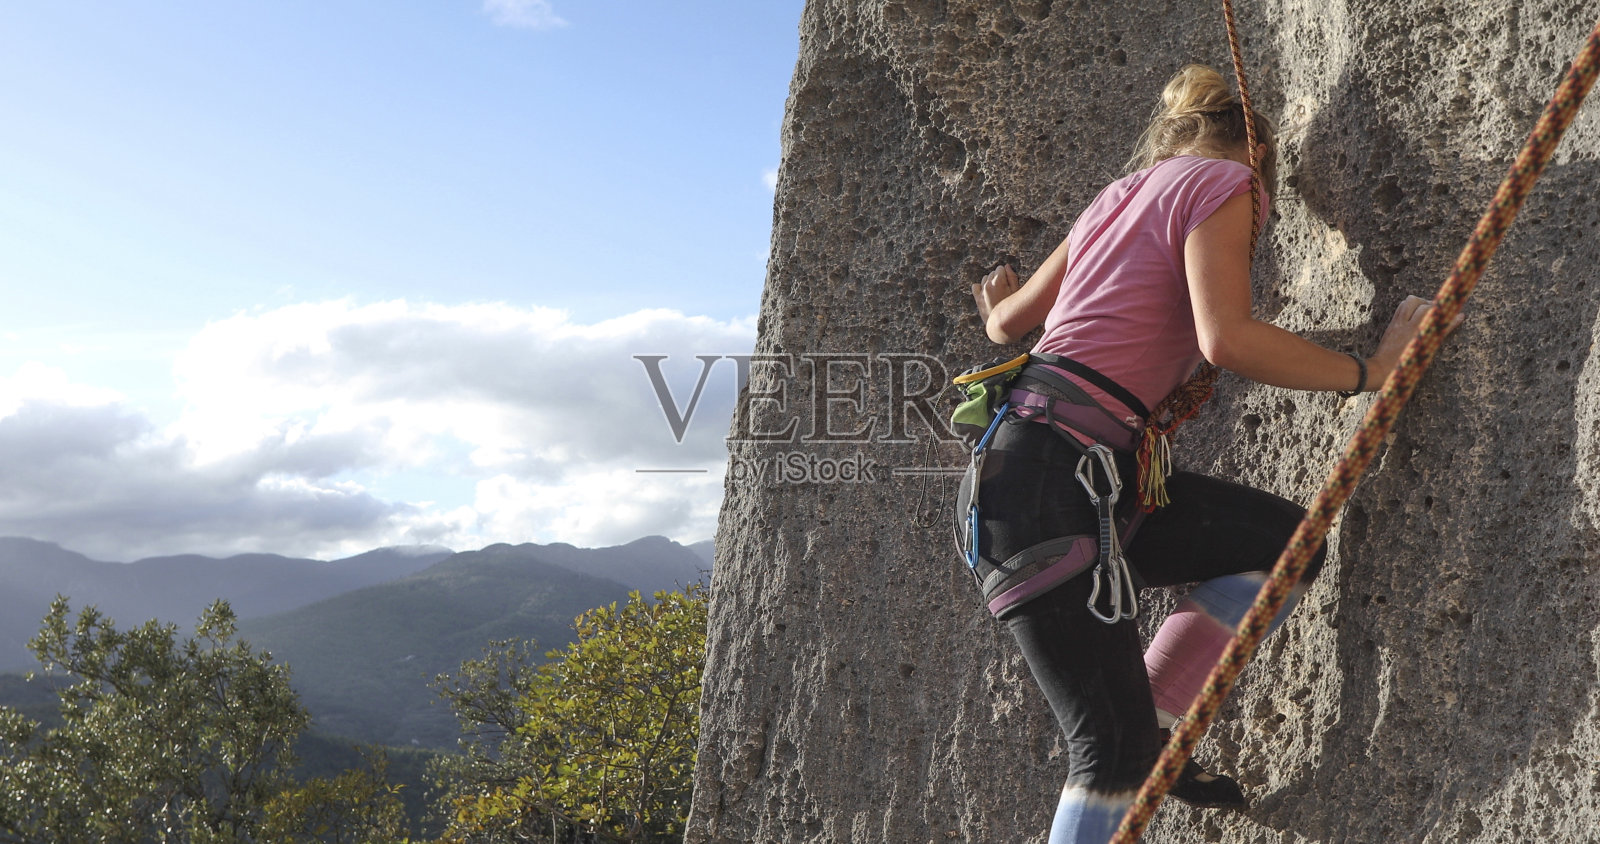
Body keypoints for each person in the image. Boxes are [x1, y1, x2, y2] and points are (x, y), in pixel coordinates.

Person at [965, 64, 1441, 843]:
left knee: (1284, 547)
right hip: (1061, 479)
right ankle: (1138, 738)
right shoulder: (1227, 182)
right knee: (1106, 756)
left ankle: (1154, 719)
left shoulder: (1116, 196)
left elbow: (1007, 324)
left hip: (1050, 472)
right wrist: (1369, 374)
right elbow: (1227, 338)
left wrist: (994, 308)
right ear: (1258, 152)